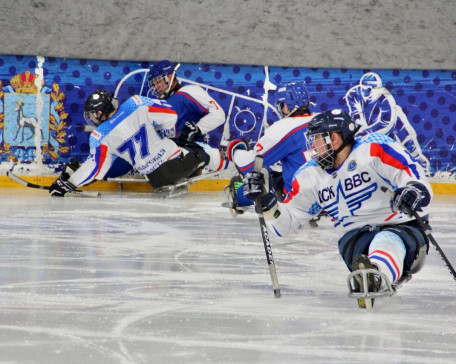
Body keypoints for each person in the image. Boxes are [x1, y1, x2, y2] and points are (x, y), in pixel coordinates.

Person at [242, 108, 433, 309]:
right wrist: (267, 203)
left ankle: (375, 275)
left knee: (386, 239)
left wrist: (413, 190)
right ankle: (370, 275)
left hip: (404, 228)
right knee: (370, 243)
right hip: (355, 240)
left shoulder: (373, 149)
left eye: (316, 139)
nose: (312, 147)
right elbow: (284, 225)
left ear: (334, 138)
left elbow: (413, 176)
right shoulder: (308, 176)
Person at [48, 89, 219, 196]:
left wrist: (68, 184)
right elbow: (171, 116)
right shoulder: (135, 103)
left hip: (155, 178)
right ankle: (226, 160)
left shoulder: (99, 135)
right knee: (200, 149)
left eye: (92, 114)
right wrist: (157, 127)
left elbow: (95, 168)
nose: (91, 118)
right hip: (173, 162)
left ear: (101, 111)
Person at [222, 81, 317, 217]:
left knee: (263, 177)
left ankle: (239, 197)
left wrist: (234, 150)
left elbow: (249, 165)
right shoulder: (323, 119)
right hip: (330, 192)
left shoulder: (284, 128)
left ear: (285, 106)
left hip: (301, 199)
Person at [148, 60, 226, 147]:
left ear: (170, 77)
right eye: (154, 83)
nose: (156, 87)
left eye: (158, 81)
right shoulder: (160, 104)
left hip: (194, 150)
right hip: (171, 152)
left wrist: (197, 129)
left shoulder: (189, 91)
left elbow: (218, 114)